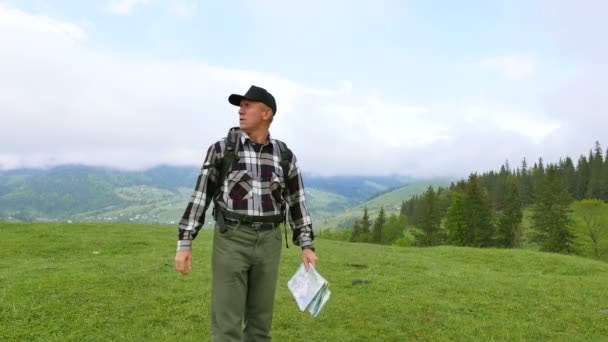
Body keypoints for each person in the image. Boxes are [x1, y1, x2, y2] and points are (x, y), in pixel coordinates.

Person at [174, 85, 318, 341]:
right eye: (240, 106)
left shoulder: (284, 156)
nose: (240, 110)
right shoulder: (222, 149)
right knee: (226, 325)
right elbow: (200, 195)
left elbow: (297, 201)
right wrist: (185, 242)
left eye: (247, 105)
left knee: (260, 325)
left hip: (270, 243)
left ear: (266, 113)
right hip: (232, 240)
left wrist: (306, 245)